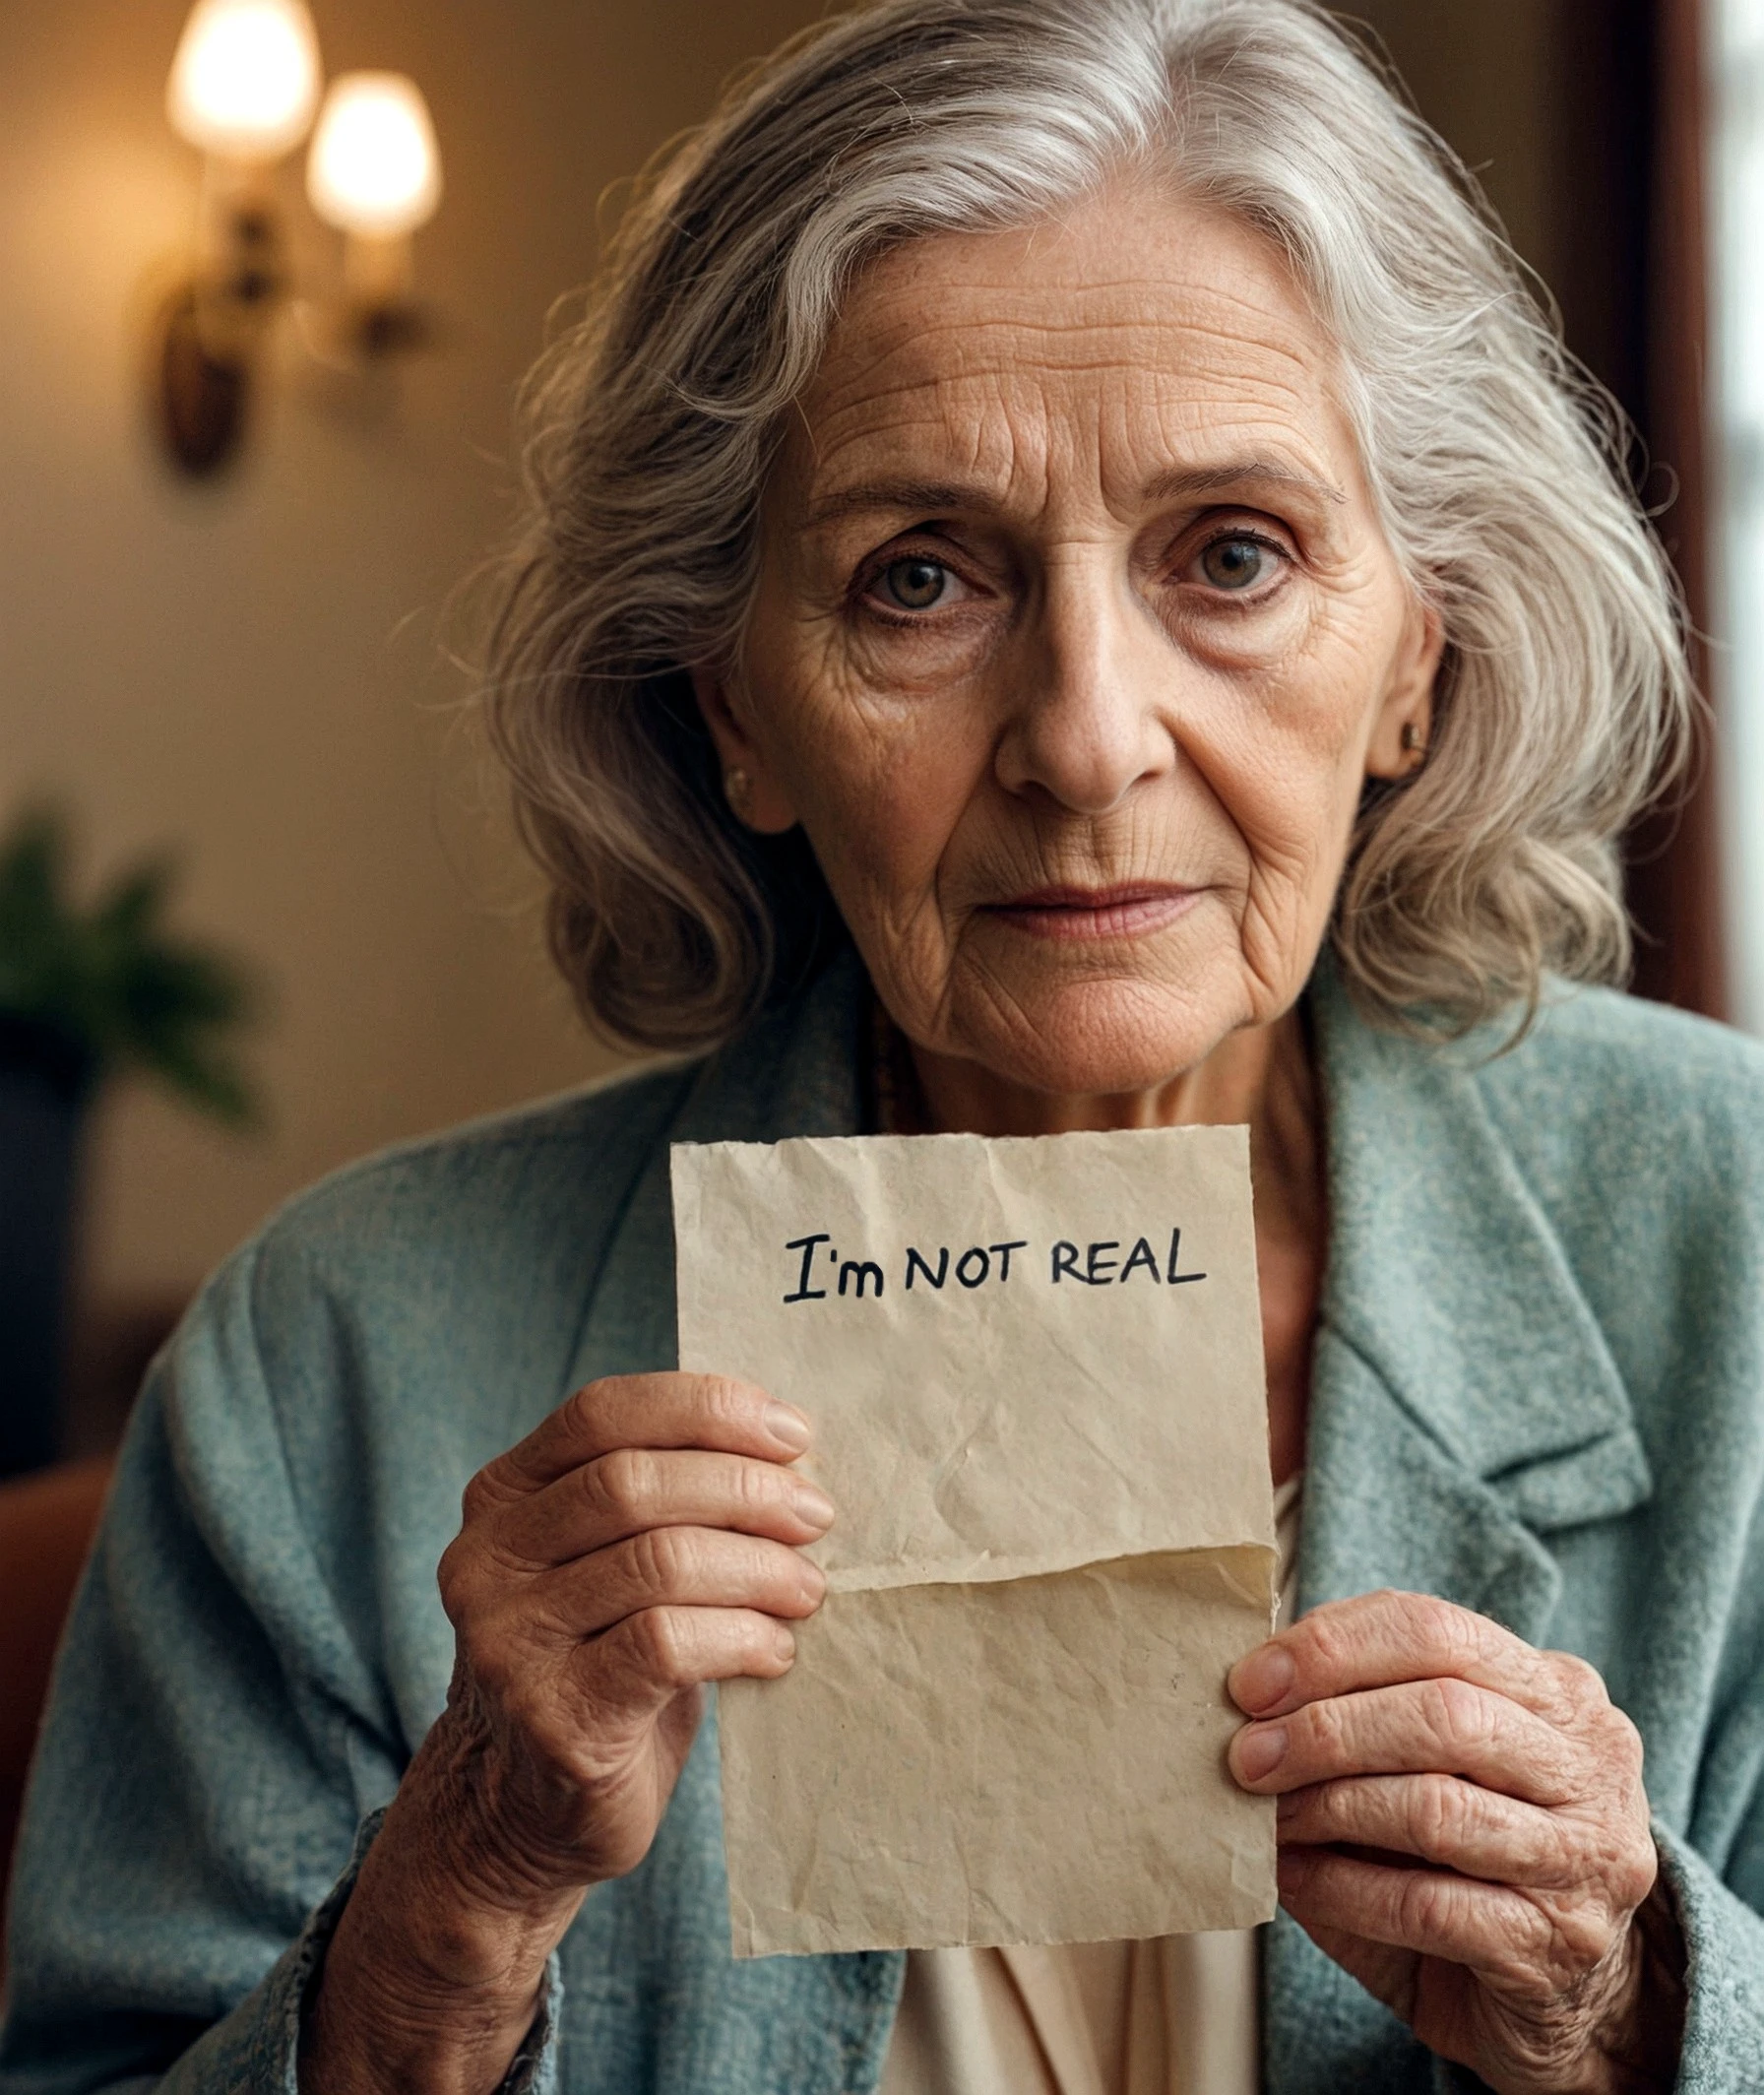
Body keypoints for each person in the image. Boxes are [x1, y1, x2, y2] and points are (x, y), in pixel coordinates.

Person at [3, 0, 1760, 2088]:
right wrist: (445, 1919)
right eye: (916, 576)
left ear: (1415, 657)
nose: (1086, 736)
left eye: (1231, 553)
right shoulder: (335, 1361)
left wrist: (1636, 2004)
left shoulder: (1729, 1248)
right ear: (734, 703)